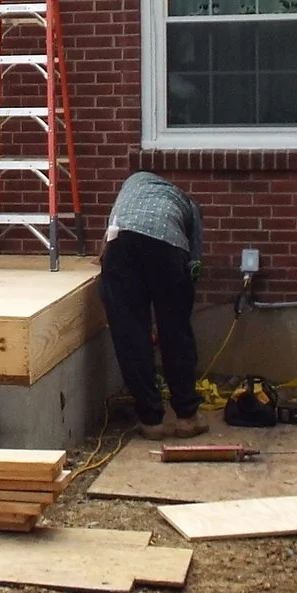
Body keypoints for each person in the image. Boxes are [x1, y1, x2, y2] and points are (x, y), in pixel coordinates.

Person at [98, 170, 207, 439]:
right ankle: (187, 417)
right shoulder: (189, 206)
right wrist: (176, 312)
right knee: (176, 334)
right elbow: (193, 264)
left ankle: (151, 421)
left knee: (130, 334)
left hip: (121, 245)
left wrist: (105, 263)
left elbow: (109, 237)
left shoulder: (131, 188)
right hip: (168, 248)